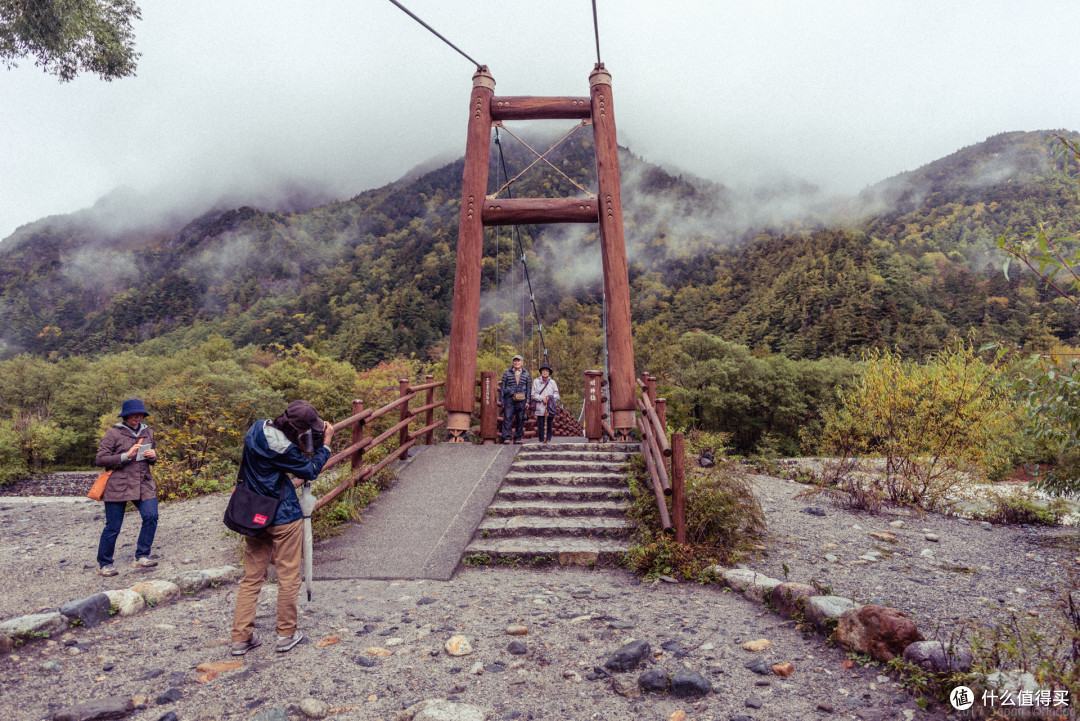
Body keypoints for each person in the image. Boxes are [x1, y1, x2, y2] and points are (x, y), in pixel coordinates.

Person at [230, 400, 334, 655]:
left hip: (253, 512)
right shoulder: (286, 450)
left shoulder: (256, 428)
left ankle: (241, 638)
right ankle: (286, 634)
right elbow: (309, 470)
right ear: (301, 431)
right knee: (288, 576)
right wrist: (327, 445)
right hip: (282, 515)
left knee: (252, 577)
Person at [93, 399, 159, 577]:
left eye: (140, 414)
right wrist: (124, 455)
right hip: (117, 484)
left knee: (151, 516)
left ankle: (142, 556)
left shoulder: (148, 432)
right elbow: (100, 460)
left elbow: (151, 459)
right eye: (134, 415)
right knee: (113, 526)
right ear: (125, 416)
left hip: (143, 483)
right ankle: (105, 564)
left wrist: (153, 456)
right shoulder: (112, 434)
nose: (137, 417)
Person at [500, 354, 531, 444]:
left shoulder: (526, 374)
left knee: (520, 418)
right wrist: (502, 400)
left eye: (518, 361)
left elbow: (529, 388)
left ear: (522, 362)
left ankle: (517, 438)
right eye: (515, 361)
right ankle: (506, 438)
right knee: (507, 417)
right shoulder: (506, 372)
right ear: (513, 362)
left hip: (522, 399)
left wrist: (528, 401)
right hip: (509, 398)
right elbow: (503, 387)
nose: (516, 362)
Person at [531, 363, 560, 444]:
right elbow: (533, 394)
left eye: (547, 370)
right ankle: (541, 440)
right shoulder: (536, 381)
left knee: (549, 424)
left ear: (549, 372)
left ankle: (548, 439)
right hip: (540, 406)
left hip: (550, 406)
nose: (545, 372)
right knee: (540, 424)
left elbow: (557, 394)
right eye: (543, 370)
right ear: (541, 372)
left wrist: (549, 398)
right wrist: (541, 398)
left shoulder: (553, 382)